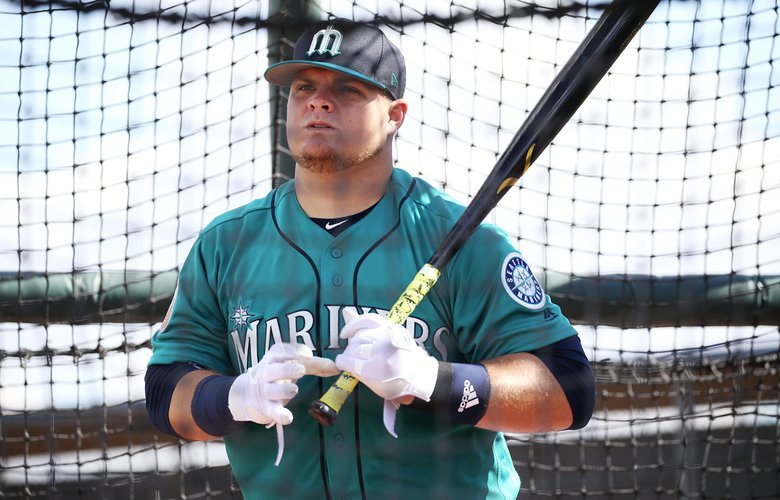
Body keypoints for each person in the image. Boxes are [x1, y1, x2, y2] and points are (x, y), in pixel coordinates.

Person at [144, 18, 595, 499]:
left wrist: (431, 381)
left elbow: (568, 390)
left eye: (349, 88)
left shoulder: (465, 240)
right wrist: (233, 397)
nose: (319, 101)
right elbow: (165, 390)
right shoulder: (225, 244)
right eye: (304, 87)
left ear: (395, 114)